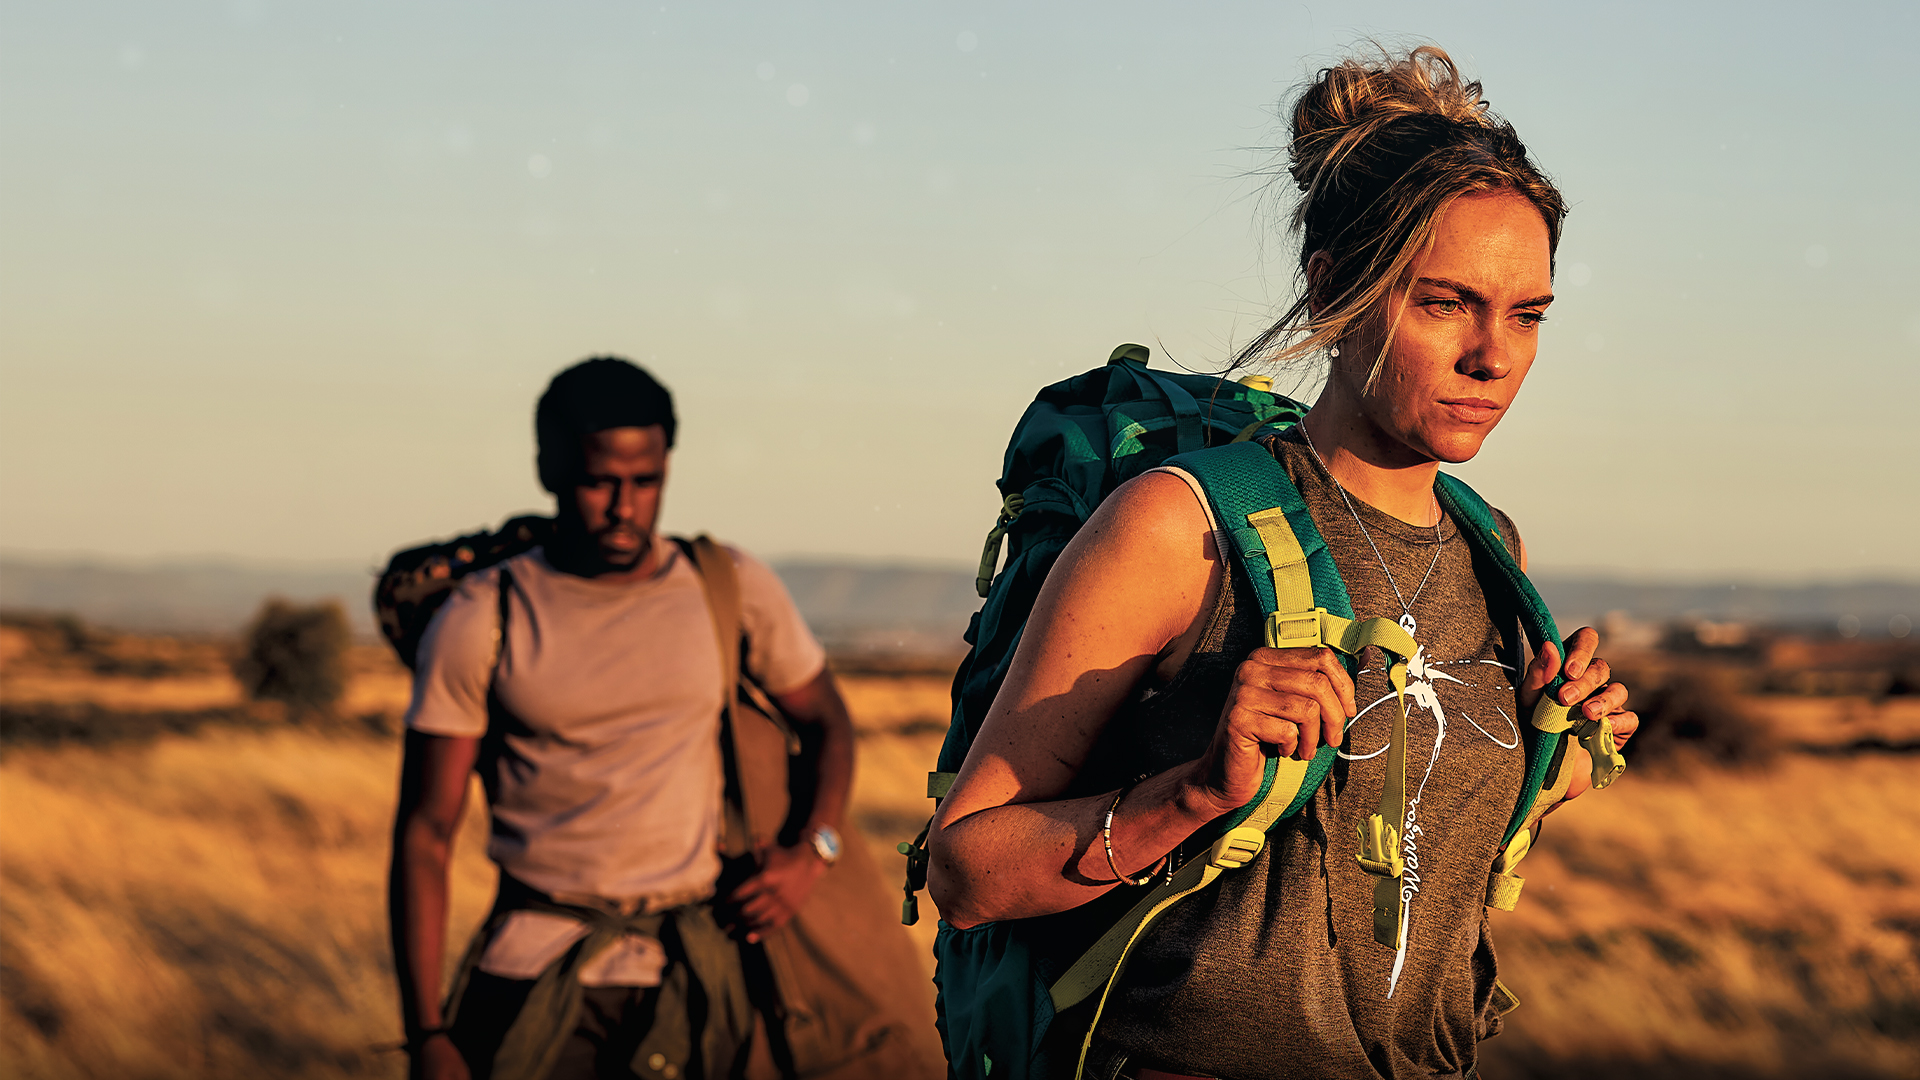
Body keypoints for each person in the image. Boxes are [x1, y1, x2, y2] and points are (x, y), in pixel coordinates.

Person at [925, 46, 1640, 1080]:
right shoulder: (1182, 525)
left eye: (1526, 315)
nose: (1493, 356)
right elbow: (966, 871)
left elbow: (1405, 861)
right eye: (1445, 303)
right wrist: (1192, 792)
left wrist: (1553, 758)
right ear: (1334, 288)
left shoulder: (1493, 549)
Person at [387, 358, 855, 1080]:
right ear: (549, 470)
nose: (624, 508)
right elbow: (426, 831)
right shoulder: (485, 614)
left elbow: (827, 719)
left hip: (697, 976)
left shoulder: (726, 587)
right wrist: (426, 1033)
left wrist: (812, 851)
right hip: (532, 974)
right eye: (599, 482)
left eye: (646, 482)